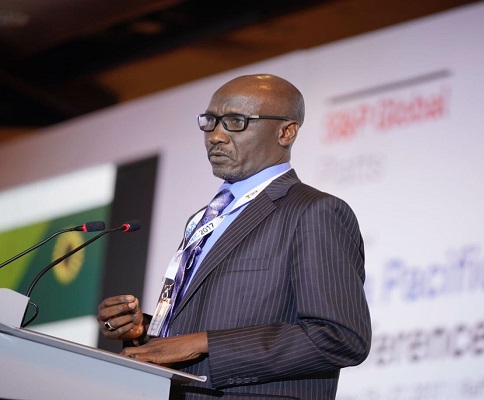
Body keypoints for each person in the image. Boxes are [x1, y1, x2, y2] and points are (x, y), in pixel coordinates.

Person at [96, 74, 372, 399]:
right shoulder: (203, 218)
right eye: (210, 121)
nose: (215, 136)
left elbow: (340, 337)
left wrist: (203, 343)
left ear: (286, 131)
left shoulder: (313, 211)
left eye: (236, 122)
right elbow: (199, 331)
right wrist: (146, 331)